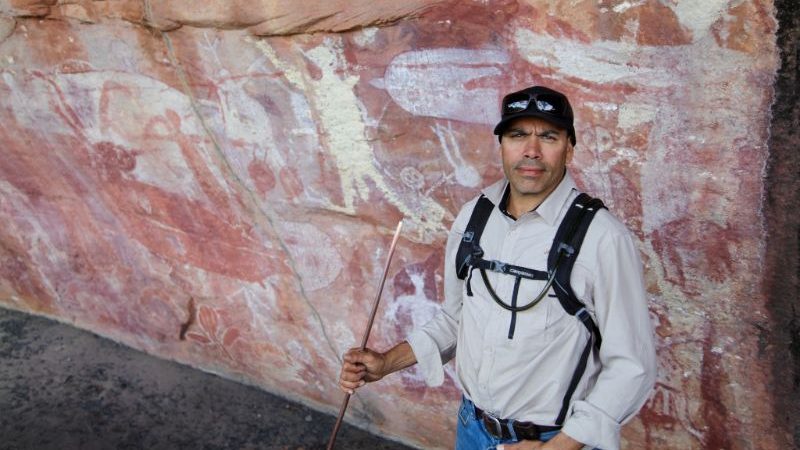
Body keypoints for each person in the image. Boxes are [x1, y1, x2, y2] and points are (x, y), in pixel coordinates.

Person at [338, 86, 656, 450]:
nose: (531, 151)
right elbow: (458, 319)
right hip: (472, 429)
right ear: (502, 144)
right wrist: (385, 362)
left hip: (551, 441)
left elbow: (632, 366)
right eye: (518, 135)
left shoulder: (602, 238)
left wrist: (558, 448)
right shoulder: (474, 216)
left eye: (548, 136)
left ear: (569, 147)